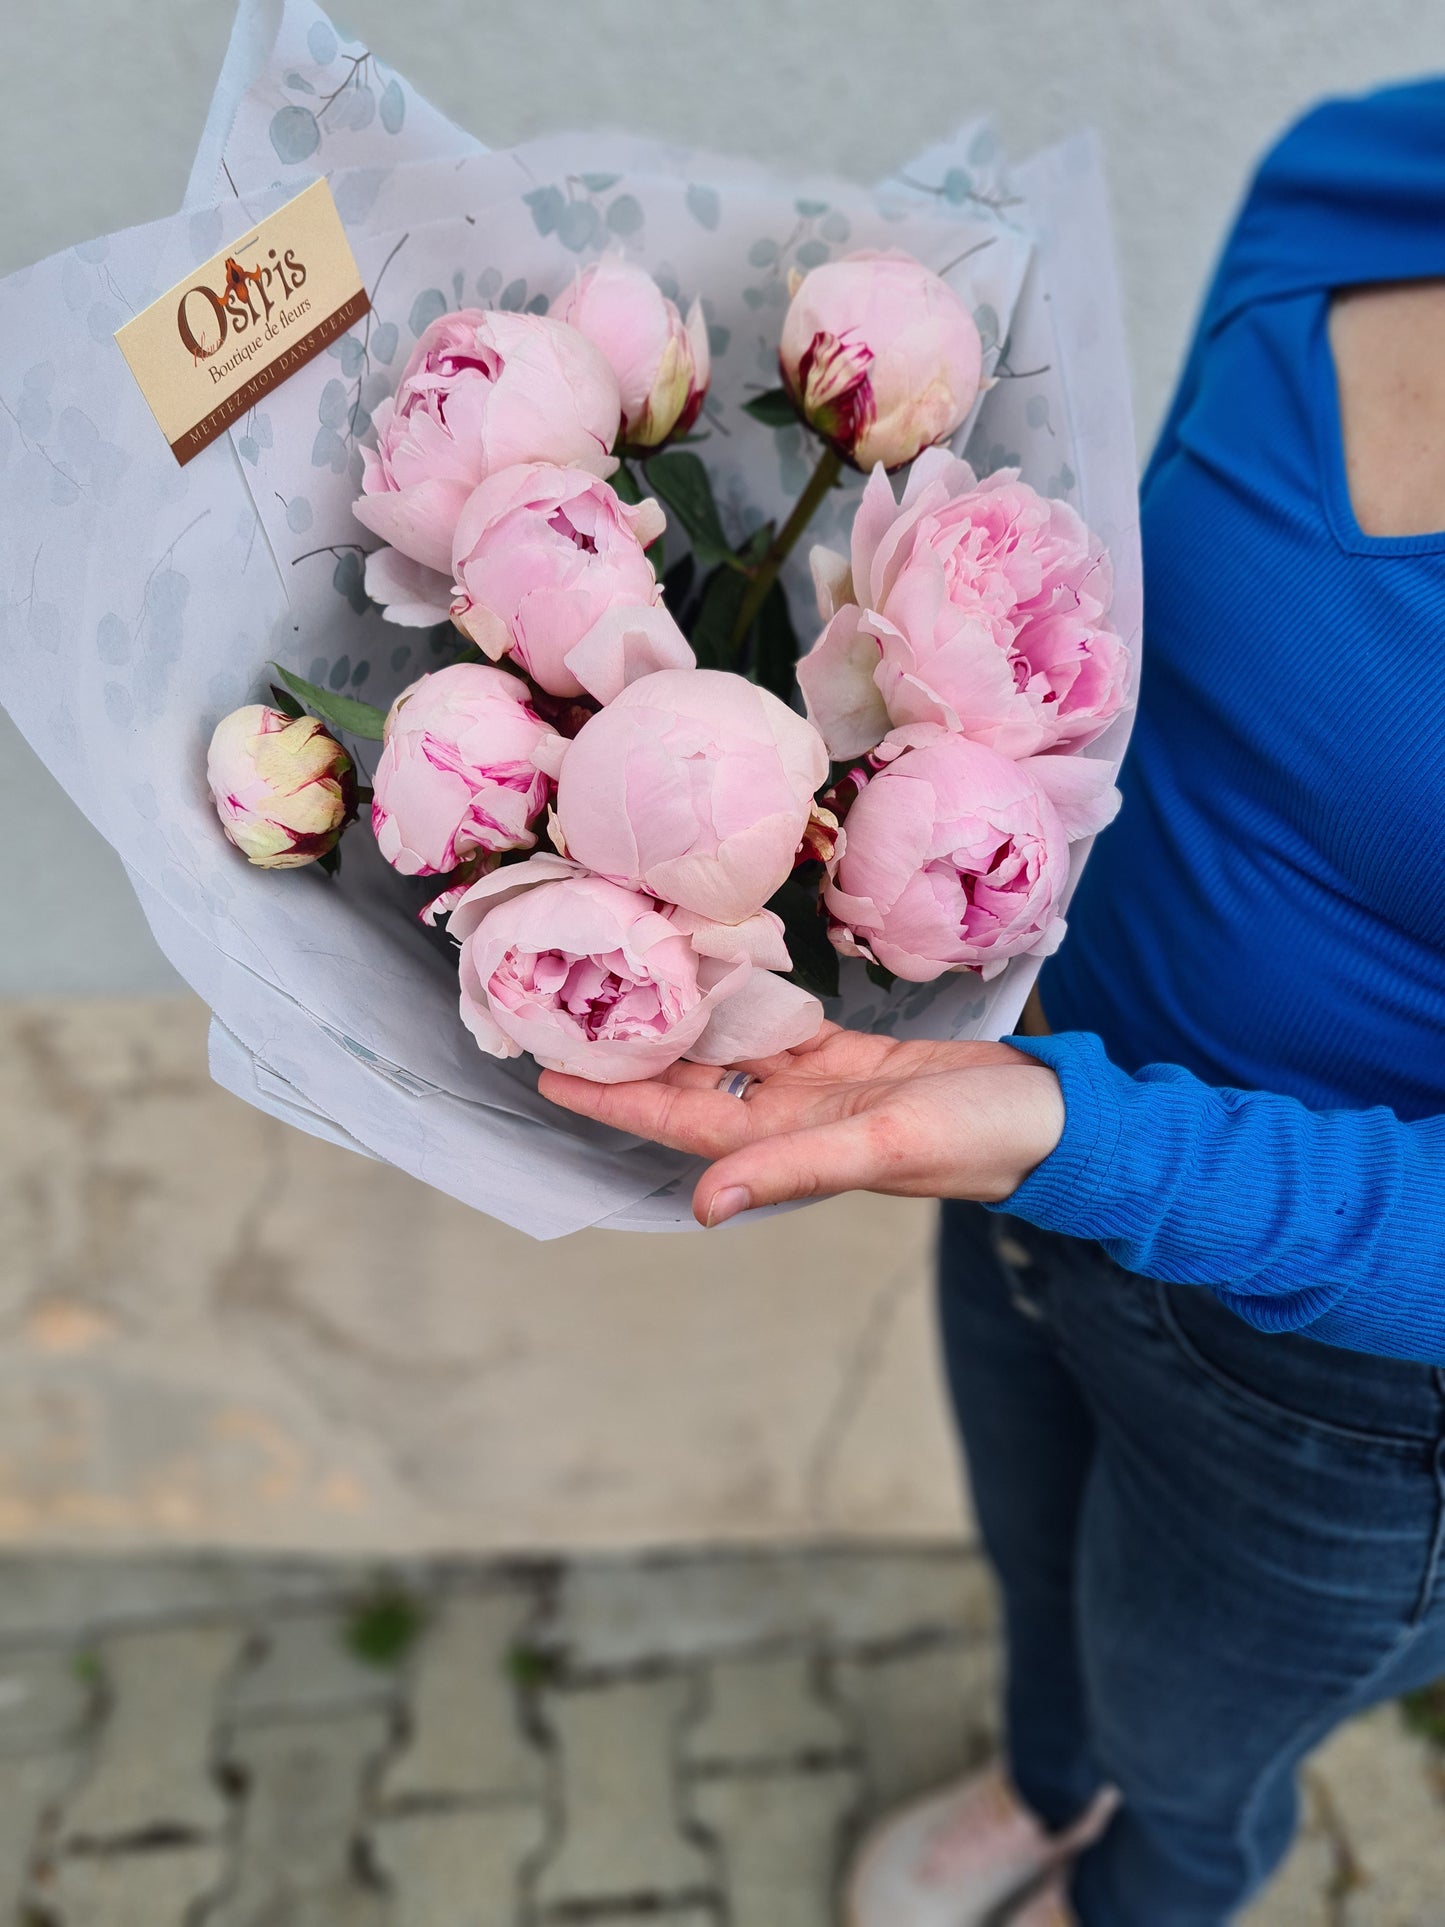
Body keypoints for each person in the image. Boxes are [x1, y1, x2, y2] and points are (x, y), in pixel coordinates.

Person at [541, 81, 1445, 1927]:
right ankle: (1041, 1785)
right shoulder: (1362, 165)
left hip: (1325, 1381)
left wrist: (1067, 1133)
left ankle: (1126, 1884)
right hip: (1006, 1118)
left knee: (1190, 1762)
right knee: (1038, 1583)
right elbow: (1137, 676)